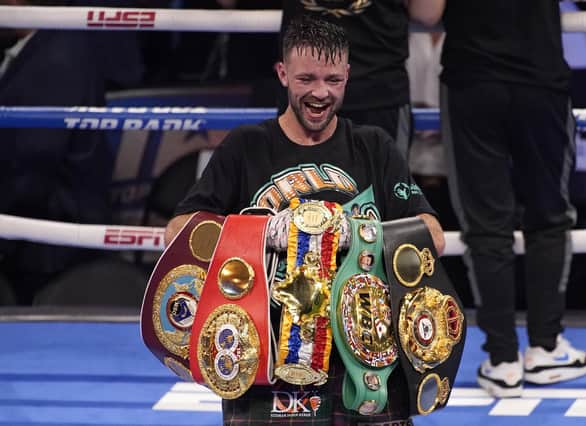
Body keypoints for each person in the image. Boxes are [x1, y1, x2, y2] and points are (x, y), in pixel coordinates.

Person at [165, 16, 444, 425]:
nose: (320, 93)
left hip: (365, 357)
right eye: (306, 78)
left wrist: (360, 235)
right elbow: (179, 231)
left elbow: (432, 236)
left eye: (333, 79)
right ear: (282, 74)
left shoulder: (372, 146)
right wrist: (261, 234)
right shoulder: (248, 145)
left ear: (347, 75)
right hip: (267, 355)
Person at [434, 1, 586, 397]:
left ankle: (503, 361)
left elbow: (426, 14)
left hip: (473, 79)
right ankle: (545, 347)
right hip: (539, 79)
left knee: (486, 225)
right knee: (549, 216)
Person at [0, 0, 144, 305]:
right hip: (40, 234)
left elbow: (31, 165)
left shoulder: (56, 57)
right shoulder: (43, 47)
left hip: (49, 245)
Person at [277, 0, 444, 159]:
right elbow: (427, 14)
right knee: (382, 186)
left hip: (308, 86)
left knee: (300, 185)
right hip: (378, 87)